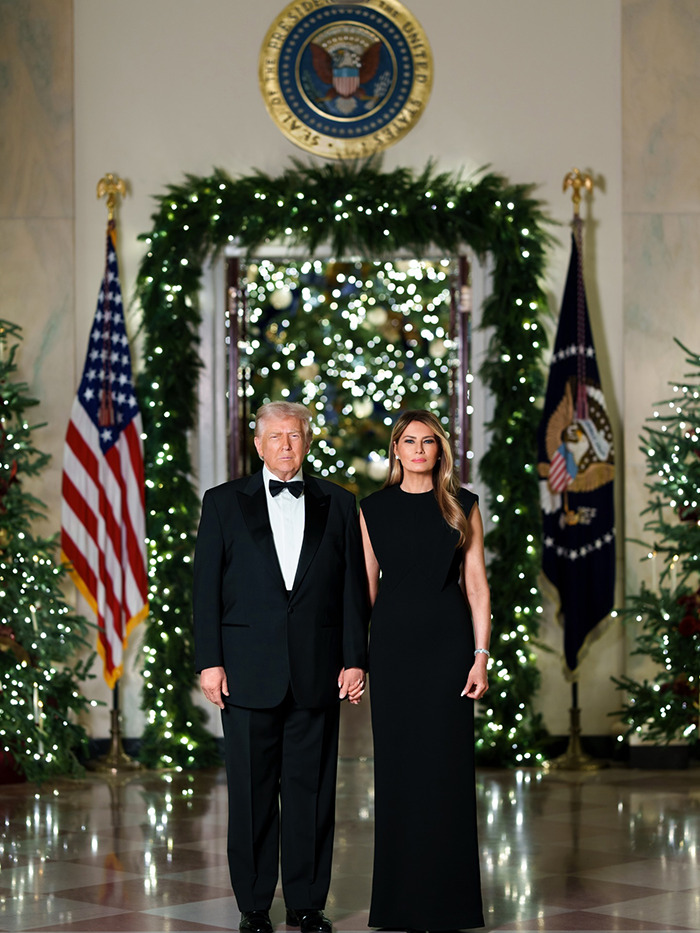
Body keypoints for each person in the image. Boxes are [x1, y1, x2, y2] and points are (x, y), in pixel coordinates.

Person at [193, 401, 369, 933]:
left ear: (307, 442)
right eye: (276, 437)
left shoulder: (339, 503)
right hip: (245, 672)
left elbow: (352, 591)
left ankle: (307, 903)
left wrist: (355, 660)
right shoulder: (223, 503)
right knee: (250, 795)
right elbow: (204, 590)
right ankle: (252, 905)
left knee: (311, 793)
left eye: (295, 436)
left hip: (317, 670)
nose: (286, 446)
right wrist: (210, 663)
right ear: (259, 444)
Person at [360, 410, 491, 932]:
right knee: (396, 771)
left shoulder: (463, 506)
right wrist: (356, 658)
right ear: (396, 449)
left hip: (449, 647)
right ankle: (397, 904)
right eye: (409, 441)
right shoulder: (371, 509)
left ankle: (452, 905)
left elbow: (477, 584)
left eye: (428, 441)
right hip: (392, 648)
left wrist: (481, 655)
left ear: (440, 450)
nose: (418, 449)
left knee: (446, 771)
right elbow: (366, 588)